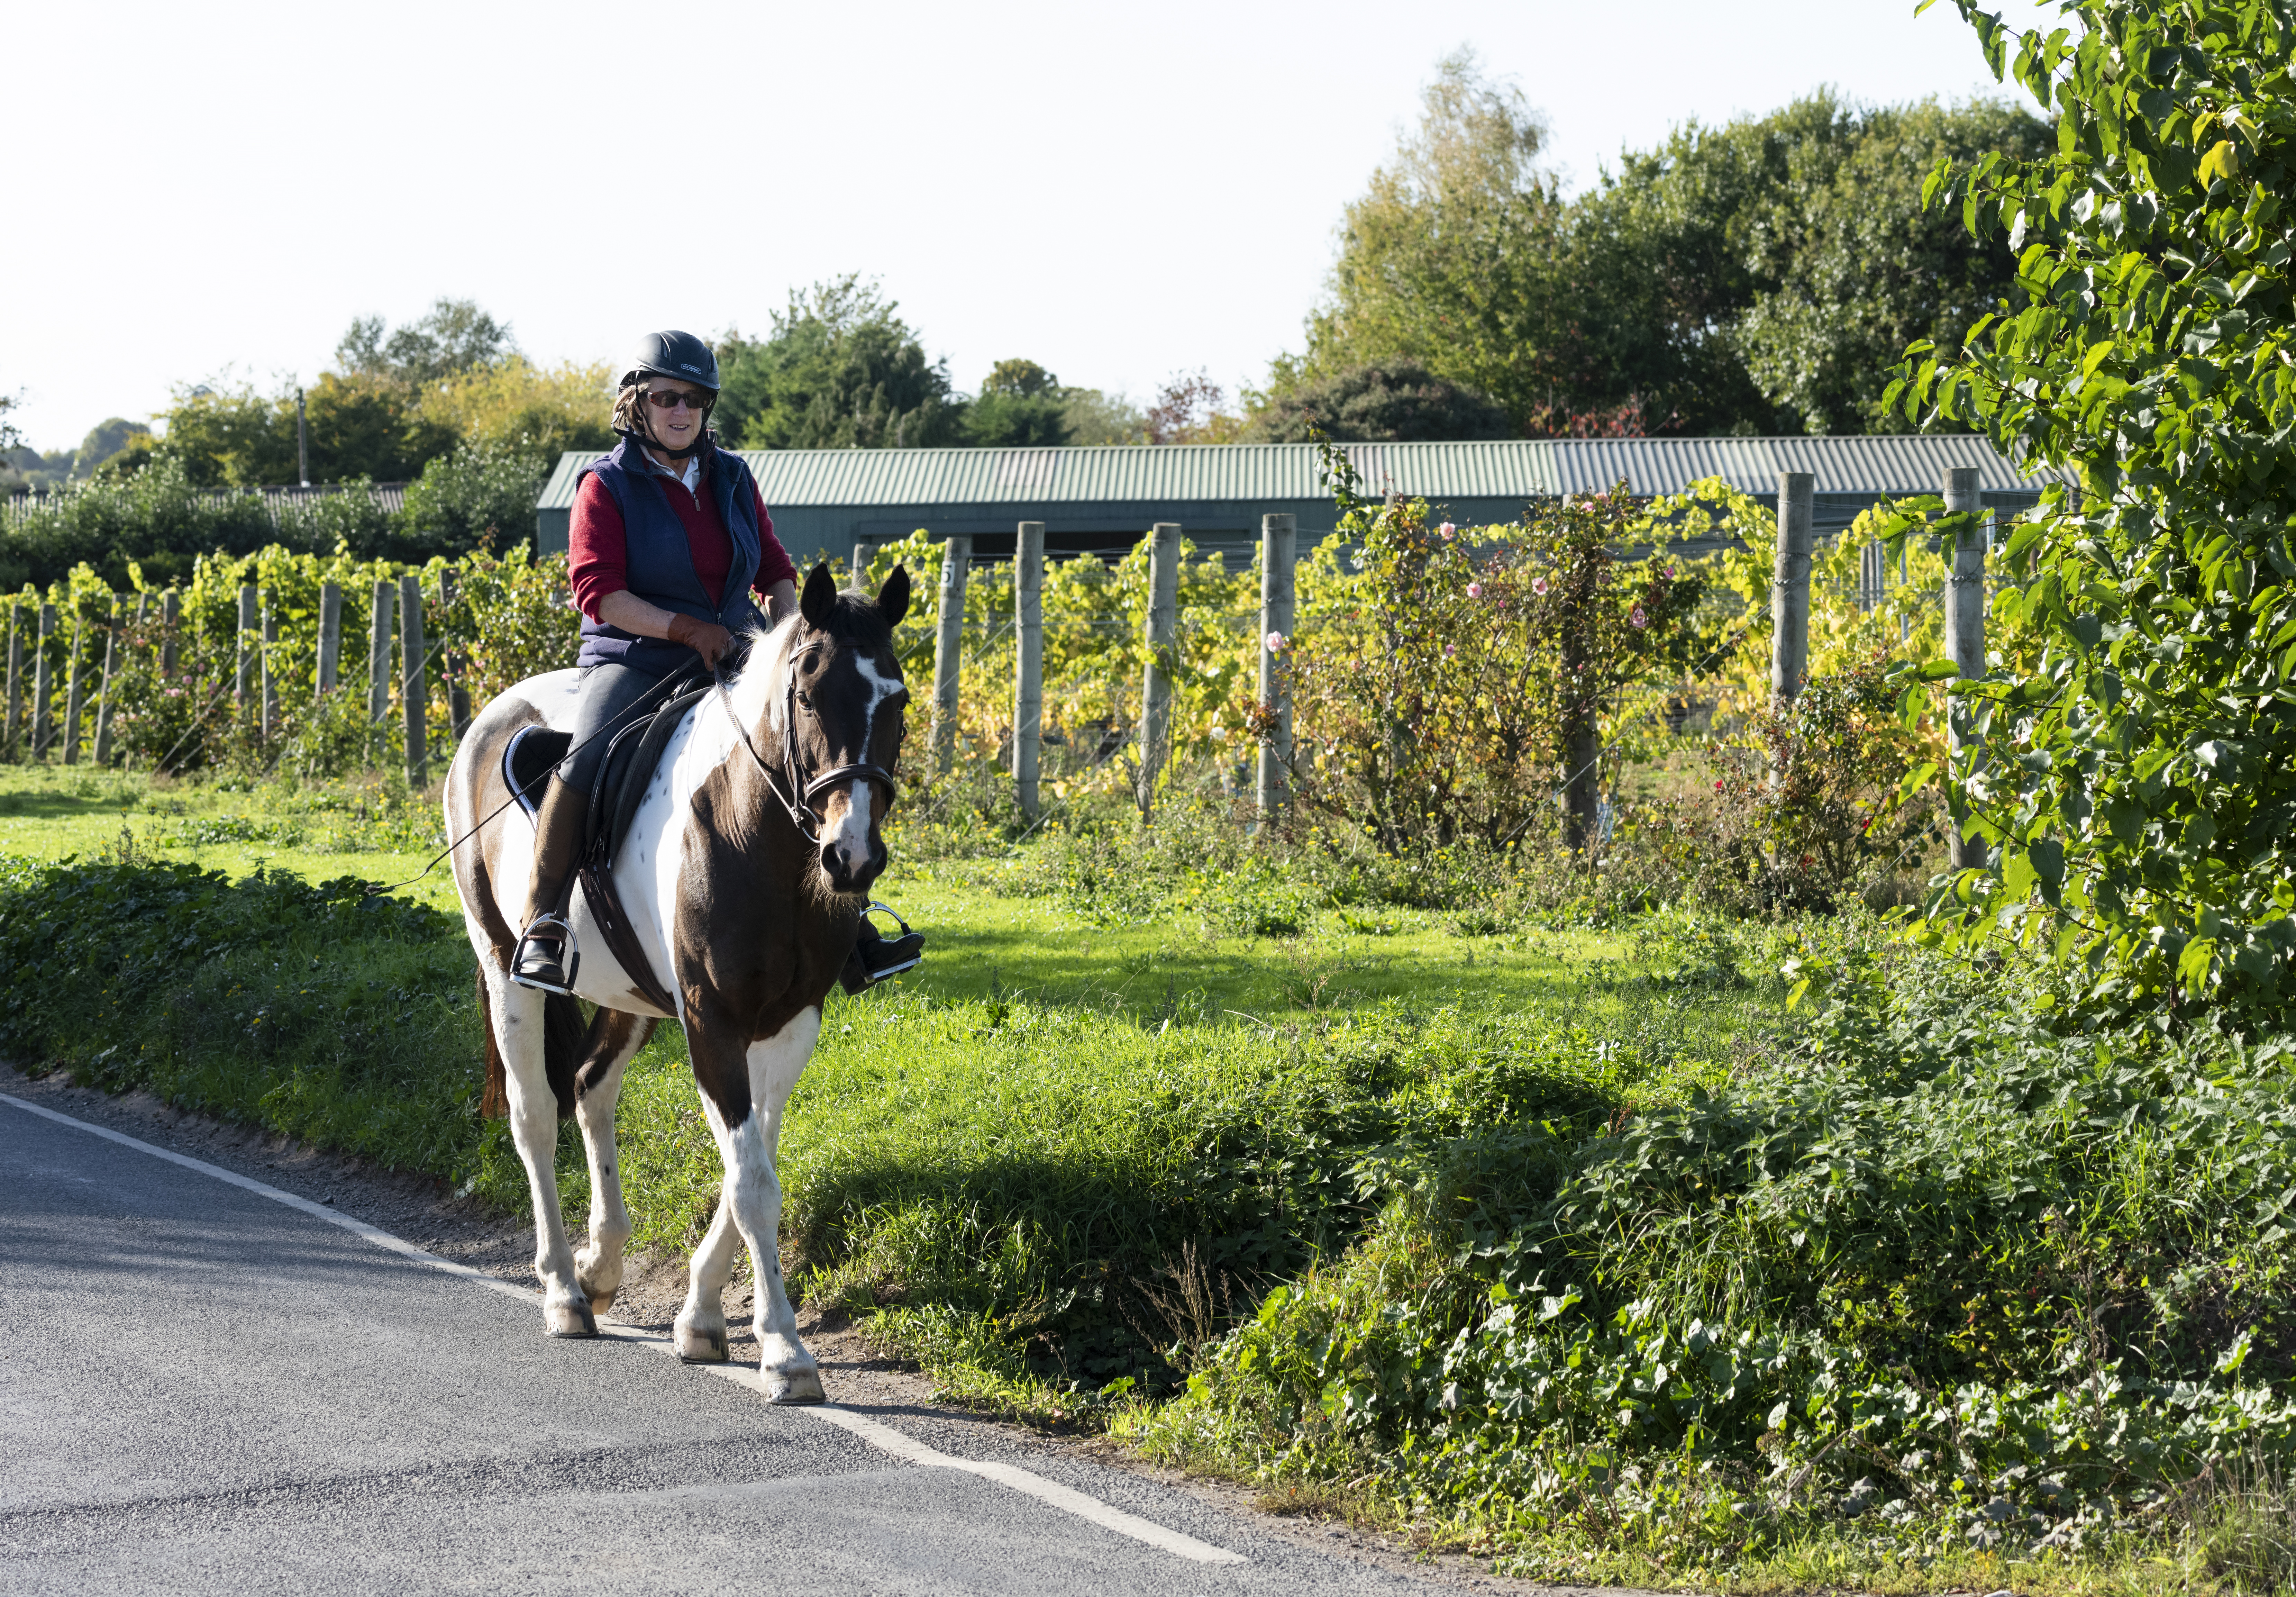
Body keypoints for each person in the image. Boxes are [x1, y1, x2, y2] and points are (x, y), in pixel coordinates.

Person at [510, 329, 923, 996]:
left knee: (808, 750)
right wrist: (684, 628)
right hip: (635, 657)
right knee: (585, 755)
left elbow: (775, 570)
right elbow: (600, 593)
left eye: (695, 400)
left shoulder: (732, 475)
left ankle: (850, 922)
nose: (682, 411)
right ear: (637, 403)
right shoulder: (605, 484)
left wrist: (796, 634)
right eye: (667, 397)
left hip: (736, 652)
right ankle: (546, 921)